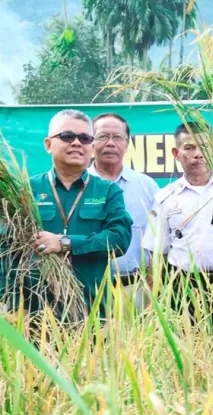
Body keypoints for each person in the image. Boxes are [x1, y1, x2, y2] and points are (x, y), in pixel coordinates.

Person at [0, 109, 133, 321]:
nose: (77, 143)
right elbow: (4, 251)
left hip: (92, 312)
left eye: (85, 138)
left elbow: (119, 239)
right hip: (35, 314)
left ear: (92, 147)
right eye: (67, 136)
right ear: (48, 144)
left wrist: (64, 243)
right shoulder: (25, 191)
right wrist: (13, 304)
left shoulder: (108, 191)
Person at [142, 122, 213, 331]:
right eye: (189, 148)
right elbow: (157, 254)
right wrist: (151, 304)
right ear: (176, 153)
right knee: (190, 349)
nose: (198, 154)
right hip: (184, 284)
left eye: (204, 148)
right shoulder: (166, 198)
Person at [88, 113, 159, 309]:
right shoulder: (79, 185)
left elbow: (159, 239)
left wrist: (152, 290)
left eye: (118, 137)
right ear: (91, 142)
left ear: (127, 144)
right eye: (102, 136)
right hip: (88, 288)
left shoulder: (147, 186)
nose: (110, 143)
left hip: (136, 287)